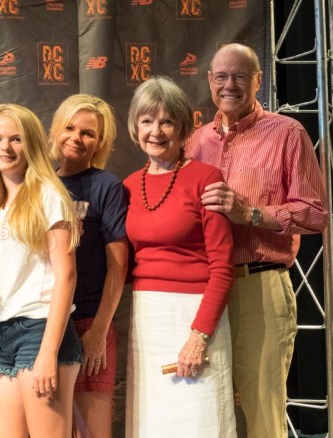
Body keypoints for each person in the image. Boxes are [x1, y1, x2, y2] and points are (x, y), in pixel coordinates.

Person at [187, 43, 328, 438]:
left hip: (259, 286)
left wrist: (250, 214)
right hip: (203, 291)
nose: (229, 84)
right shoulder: (196, 142)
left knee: (262, 414)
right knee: (206, 410)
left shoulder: (287, 133)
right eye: (221, 76)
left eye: (240, 76)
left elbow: (316, 214)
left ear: (258, 81)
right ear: (210, 82)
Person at [123, 77, 236, 437]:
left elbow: (222, 268)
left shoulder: (207, 179)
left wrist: (198, 337)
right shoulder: (126, 186)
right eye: (146, 121)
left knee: (199, 420)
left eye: (167, 121)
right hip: (145, 317)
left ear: (184, 128)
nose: (155, 131)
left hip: (195, 316)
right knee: (152, 422)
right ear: (135, 127)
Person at [0, 103, 83, 437]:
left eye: (15, 139)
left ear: (32, 144)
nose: (4, 148)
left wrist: (48, 352)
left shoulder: (47, 194)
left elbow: (66, 275)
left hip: (39, 332)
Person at [48, 94, 128, 437]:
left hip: (88, 321)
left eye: (88, 133)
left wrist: (98, 330)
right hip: (43, 323)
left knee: (91, 431)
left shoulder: (106, 186)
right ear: (55, 130)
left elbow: (118, 267)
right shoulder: (39, 183)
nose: (76, 138)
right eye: (69, 128)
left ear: (100, 142)